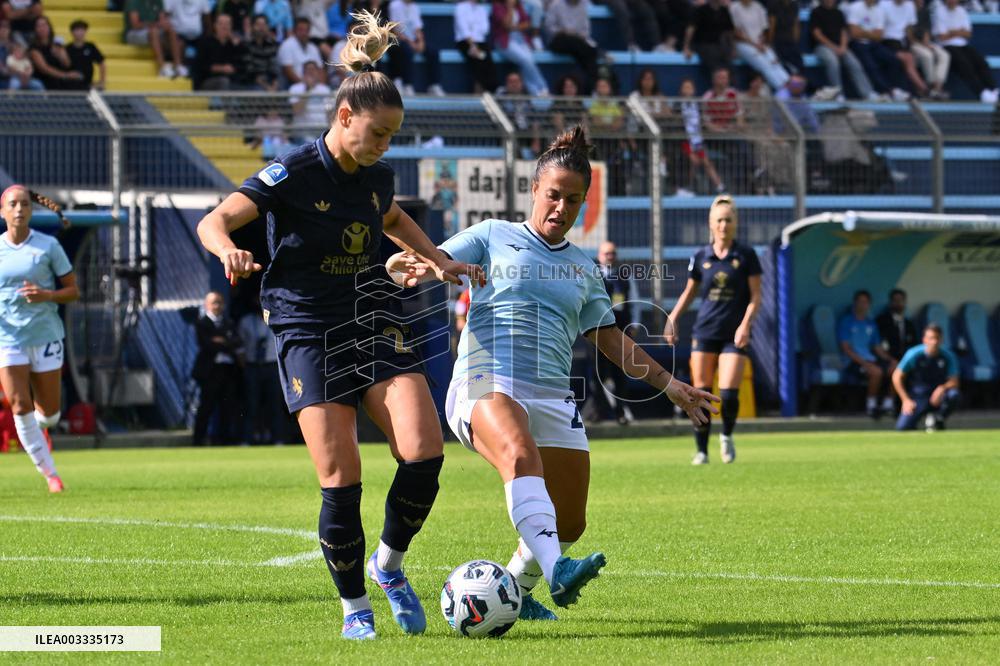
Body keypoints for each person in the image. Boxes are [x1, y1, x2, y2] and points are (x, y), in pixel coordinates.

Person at [195, 10, 480, 640]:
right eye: (378, 133)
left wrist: (439, 260)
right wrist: (229, 251)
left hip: (372, 317)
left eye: (392, 136)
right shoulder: (293, 171)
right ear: (345, 116)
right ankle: (355, 607)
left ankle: (389, 566)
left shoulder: (377, 177)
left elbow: (392, 218)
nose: (384, 146)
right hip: (306, 329)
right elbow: (213, 221)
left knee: (424, 452)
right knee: (341, 478)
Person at [392, 126, 718, 621]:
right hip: (484, 378)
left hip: (550, 394)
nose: (561, 208)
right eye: (553, 195)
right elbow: (436, 259)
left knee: (570, 520)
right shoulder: (493, 235)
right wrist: (411, 264)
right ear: (534, 190)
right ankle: (557, 571)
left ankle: (516, 592)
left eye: (573, 200)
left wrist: (671, 385)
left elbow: (610, 339)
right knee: (519, 454)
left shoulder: (584, 269)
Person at [665, 195, 761, 465]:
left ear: (735, 222)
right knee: (700, 393)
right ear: (711, 223)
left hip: (734, 334)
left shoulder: (746, 255)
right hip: (705, 332)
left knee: (728, 393)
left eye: (728, 220)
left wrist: (746, 325)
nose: (723, 225)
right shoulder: (701, 256)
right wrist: (673, 317)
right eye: (719, 220)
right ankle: (702, 451)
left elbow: (756, 296)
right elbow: (690, 292)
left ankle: (726, 436)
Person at [0, 185, 78, 493]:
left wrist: (47, 295)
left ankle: (36, 426)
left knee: (50, 415)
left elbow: (73, 291)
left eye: (24, 204)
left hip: (45, 335)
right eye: (12, 204)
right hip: (8, 338)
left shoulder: (48, 246)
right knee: (19, 404)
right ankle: (51, 475)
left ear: (31, 210)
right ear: (3, 212)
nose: (19, 209)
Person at [585, 241, 639, 424]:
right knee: (597, 373)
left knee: (620, 373)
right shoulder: (590, 275)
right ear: (599, 255)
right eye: (606, 253)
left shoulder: (625, 275)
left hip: (619, 330)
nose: (610, 257)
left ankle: (620, 412)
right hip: (595, 331)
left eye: (613, 253)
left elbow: (634, 301)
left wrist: (635, 324)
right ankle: (598, 412)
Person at [191, 290, 243, 445]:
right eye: (214, 303)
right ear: (206, 305)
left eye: (220, 302)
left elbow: (237, 342)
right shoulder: (202, 323)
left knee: (227, 406)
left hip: (227, 370)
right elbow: (206, 345)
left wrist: (221, 341)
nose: (217, 306)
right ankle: (198, 440)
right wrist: (225, 342)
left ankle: (224, 440)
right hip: (210, 372)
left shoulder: (229, 323)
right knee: (206, 406)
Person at [838, 289, 897, 418]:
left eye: (865, 302)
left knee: (896, 369)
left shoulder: (870, 323)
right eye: (860, 301)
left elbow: (877, 347)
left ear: (869, 304)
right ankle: (871, 405)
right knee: (876, 372)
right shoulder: (846, 321)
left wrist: (891, 360)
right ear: (855, 303)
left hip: (870, 359)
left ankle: (888, 404)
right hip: (852, 362)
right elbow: (846, 348)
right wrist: (864, 363)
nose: (862, 305)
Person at [892, 323, 959, 432]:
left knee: (954, 395)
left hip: (938, 397)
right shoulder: (914, 354)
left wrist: (942, 388)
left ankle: (938, 418)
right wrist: (905, 400)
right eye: (931, 338)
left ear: (941, 340)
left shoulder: (948, 356)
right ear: (924, 340)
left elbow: (954, 381)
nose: (934, 342)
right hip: (919, 397)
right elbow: (896, 377)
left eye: (937, 338)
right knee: (903, 427)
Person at [932, 0, 999, 103]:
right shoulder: (939, 11)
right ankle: (981, 92)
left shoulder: (961, 11)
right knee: (964, 64)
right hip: (946, 45)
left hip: (962, 45)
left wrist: (952, 32)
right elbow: (942, 36)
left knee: (980, 60)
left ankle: (993, 89)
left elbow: (968, 34)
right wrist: (960, 32)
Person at [810, 0, 875, 101]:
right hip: (822, 47)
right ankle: (838, 94)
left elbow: (843, 32)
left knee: (854, 63)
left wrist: (843, 46)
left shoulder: (838, 13)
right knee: (832, 61)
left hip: (840, 46)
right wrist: (833, 47)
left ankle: (867, 93)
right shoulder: (816, 12)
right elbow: (817, 34)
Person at [847, 0, 909, 101]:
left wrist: (863, 32)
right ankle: (886, 91)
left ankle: (895, 89)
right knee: (870, 65)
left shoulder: (879, 10)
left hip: (873, 43)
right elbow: (854, 33)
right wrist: (871, 33)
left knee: (893, 59)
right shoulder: (855, 7)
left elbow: (879, 36)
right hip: (857, 43)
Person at [492, 0, 548, 96]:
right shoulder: (497, 7)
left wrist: (515, 27)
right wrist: (510, 8)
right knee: (525, 59)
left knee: (529, 61)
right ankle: (542, 87)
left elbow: (527, 23)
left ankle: (534, 92)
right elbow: (507, 25)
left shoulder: (519, 6)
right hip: (504, 41)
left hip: (520, 39)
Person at [730, 0, 789, 91]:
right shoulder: (734, 8)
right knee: (765, 65)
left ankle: (792, 87)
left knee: (775, 62)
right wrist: (755, 44)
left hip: (760, 43)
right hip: (743, 44)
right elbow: (737, 33)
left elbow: (764, 29)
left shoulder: (758, 6)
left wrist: (761, 42)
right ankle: (783, 90)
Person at [387, 0, 444, 96]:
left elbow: (418, 28)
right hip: (400, 39)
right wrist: (410, 42)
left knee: (433, 52)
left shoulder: (415, 7)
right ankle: (407, 84)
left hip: (414, 40)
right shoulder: (394, 5)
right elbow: (395, 30)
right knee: (407, 51)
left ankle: (434, 84)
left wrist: (421, 42)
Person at [544, 0, 600, 93]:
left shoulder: (583, 6)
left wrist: (576, 35)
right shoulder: (556, 5)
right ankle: (591, 88)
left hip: (577, 41)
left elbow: (586, 31)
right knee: (589, 51)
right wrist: (564, 31)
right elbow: (549, 27)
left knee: (587, 52)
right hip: (559, 39)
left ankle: (589, 88)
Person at [123, 0, 187, 78]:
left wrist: (165, 25)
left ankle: (178, 66)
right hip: (133, 33)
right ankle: (162, 68)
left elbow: (162, 20)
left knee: (171, 30)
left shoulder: (158, 1)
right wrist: (154, 24)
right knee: (154, 32)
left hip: (153, 29)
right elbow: (135, 24)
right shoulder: (133, 2)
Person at [880, 0, 929, 98]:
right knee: (908, 58)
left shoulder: (909, 6)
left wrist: (911, 45)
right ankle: (925, 89)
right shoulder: (883, 4)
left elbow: (909, 28)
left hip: (902, 42)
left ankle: (922, 90)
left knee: (915, 56)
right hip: (887, 41)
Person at [28, 16, 84, 90]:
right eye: (39, 26)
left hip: (60, 79)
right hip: (44, 80)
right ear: (35, 29)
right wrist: (66, 75)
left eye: (44, 25)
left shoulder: (56, 43)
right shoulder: (34, 48)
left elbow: (67, 64)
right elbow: (44, 69)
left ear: (49, 27)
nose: (42, 28)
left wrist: (61, 54)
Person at [683, 0, 734, 81]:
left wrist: (733, 48)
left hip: (719, 46)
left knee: (728, 63)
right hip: (703, 45)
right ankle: (717, 83)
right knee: (714, 61)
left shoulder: (724, 11)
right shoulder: (701, 10)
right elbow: (691, 29)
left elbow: (730, 31)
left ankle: (729, 85)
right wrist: (687, 47)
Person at [194, 13, 247, 90]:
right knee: (224, 82)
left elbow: (243, 64)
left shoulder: (235, 44)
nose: (224, 27)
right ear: (215, 26)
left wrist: (237, 45)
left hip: (233, 81)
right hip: (208, 81)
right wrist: (221, 68)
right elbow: (200, 66)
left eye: (227, 24)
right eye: (221, 24)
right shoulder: (205, 42)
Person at [455, 0, 497, 93]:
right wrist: (472, 45)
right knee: (478, 59)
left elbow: (485, 29)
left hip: (480, 42)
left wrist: (473, 29)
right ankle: (481, 90)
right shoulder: (460, 8)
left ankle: (490, 89)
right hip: (465, 42)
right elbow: (464, 30)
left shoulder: (482, 9)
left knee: (486, 58)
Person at [909, 0, 949, 99]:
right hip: (912, 44)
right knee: (927, 55)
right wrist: (920, 43)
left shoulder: (925, 11)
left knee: (944, 55)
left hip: (924, 43)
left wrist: (927, 44)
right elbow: (908, 33)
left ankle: (938, 87)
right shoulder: (907, 10)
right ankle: (930, 87)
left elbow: (927, 31)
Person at [876, 287, 917, 365]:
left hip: (906, 361)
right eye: (895, 300)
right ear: (890, 302)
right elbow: (879, 344)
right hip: (887, 361)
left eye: (900, 300)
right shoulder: (881, 321)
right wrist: (890, 360)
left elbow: (914, 345)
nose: (898, 303)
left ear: (905, 302)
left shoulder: (909, 324)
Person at [276, 16, 320, 86]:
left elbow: (321, 70)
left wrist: (321, 86)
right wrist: (305, 86)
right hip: (292, 85)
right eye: (301, 30)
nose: (304, 33)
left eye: (306, 30)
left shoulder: (313, 47)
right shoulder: (287, 45)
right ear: (294, 30)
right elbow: (288, 71)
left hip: (313, 86)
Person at [65, 20, 105, 90]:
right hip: (71, 85)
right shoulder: (67, 48)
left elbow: (101, 63)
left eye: (82, 30)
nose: (80, 33)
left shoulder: (91, 46)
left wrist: (101, 81)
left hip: (88, 84)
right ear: (72, 32)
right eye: (77, 30)